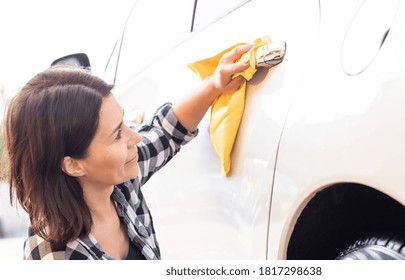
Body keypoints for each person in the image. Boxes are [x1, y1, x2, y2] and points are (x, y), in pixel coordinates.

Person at [2, 44, 254, 260]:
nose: (134, 137)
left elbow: (167, 132)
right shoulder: (55, 257)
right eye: (117, 134)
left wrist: (214, 84)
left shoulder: (119, 181)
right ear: (73, 165)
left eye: (124, 122)